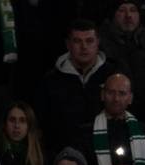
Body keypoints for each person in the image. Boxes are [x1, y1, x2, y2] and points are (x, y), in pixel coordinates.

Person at [37, 18, 120, 151]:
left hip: (107, 149)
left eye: (89, 41)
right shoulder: (51, 80)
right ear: (68, 44)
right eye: (77, 41)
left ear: (98, 42)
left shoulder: (114, 75)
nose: (84, 47)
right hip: (64, 157)